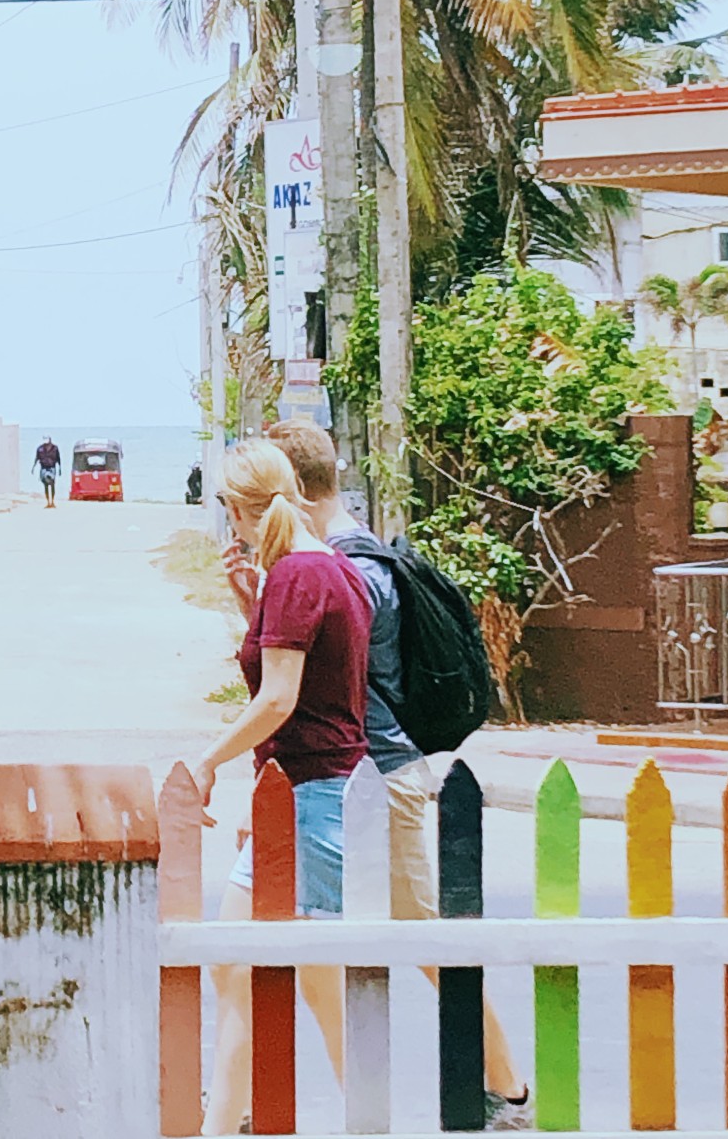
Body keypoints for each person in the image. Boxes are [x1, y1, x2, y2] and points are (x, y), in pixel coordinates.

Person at [266, 420, 532, 1129]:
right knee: (330, 942)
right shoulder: (351, 557)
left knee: (427, 938)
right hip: (364, 782)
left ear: (290, 492)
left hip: (384, 777)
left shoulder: (351, 567)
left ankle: (506, 1090)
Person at [189, 439, 372, 1136]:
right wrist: (251, 610)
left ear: (241, 508)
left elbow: (281, 699)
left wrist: (207, 760)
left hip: (314, 795)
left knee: (297, 977)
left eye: (229, 512)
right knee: (248, 968)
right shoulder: (330, 568)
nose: (230, 527)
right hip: (305, 793)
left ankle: (362, 1111)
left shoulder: (298, 574)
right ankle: (228, 1117)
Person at [34, 437, 63, 508]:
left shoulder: (55, 448)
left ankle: (52, 501)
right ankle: (48, 502)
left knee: (52, 484)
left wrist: (60, 469)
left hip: (52, 468)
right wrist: (33, 467)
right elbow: (36, 458)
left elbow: (58, 458)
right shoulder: (40, 449)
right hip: (43, 468)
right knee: (45, 485)